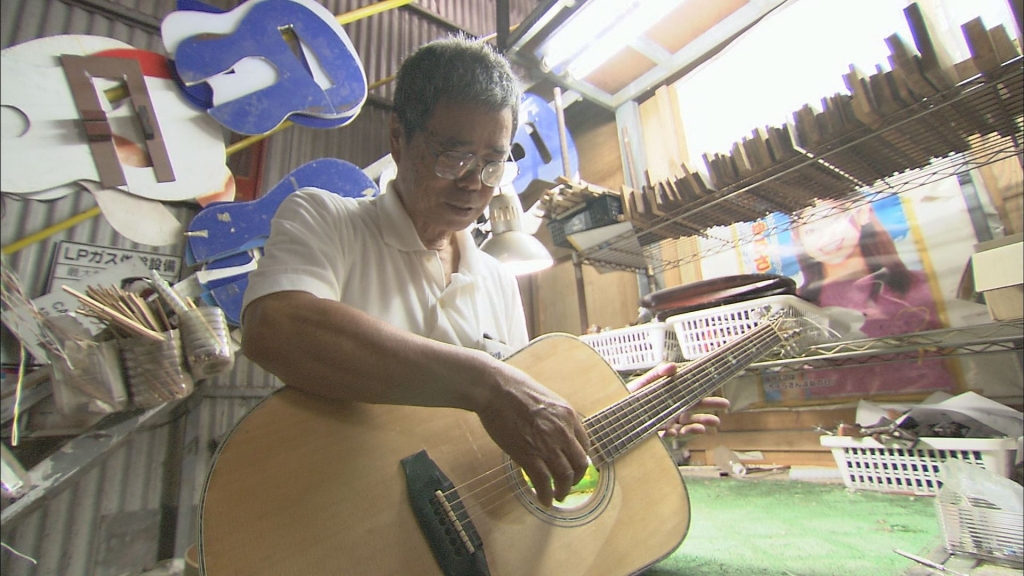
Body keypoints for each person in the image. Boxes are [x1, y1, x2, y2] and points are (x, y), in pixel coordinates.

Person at [239, 35, 726, 509]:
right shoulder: (327, 220)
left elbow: (510, 436)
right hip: (335, 528)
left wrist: (618, 421)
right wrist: (487, 383)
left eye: (493, 162)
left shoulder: (497, 281)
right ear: (398, 140)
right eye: (453, 156)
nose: (474, 182)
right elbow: (277, 328)